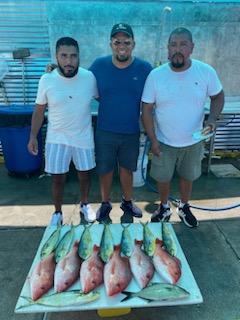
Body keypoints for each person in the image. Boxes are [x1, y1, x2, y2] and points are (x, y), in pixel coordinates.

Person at [142, 27, 224, 228]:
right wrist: (153, 140)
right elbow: (146, 109)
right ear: (167, 49)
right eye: (173, 45)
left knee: (188, 176)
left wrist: (212, 119)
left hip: (194, 140)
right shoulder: (156, 75)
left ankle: (185, 207)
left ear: (192, 48)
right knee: (163, 177)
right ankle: (163, 207)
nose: (177, 49)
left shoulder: (205, 71)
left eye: (183, 44)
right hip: (164, 141)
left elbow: (218, 96)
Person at [28, 37, 98, 225]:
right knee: (58, 179)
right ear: (56, 57)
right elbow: (39, 110)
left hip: (83, 137)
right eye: (64, 56)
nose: (69, 61)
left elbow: (104, 98)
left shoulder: (89, 77)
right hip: (56, 138)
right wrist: (33, 136)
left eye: (73, 56)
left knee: (85, 175)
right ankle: (57, 212)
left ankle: (84, 204)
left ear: (79, 57)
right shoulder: (47, 79)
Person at [89, 23, 152, 223]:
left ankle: (127, 201)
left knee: (127, 169)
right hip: (105, 130)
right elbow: (82, 83)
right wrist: (56, 71)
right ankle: (105, 203)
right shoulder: (99, 65)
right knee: (105, 169)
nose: (122, 45)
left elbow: (153, 95)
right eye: (117, 42)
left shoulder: (144, 68)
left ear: (133, 44)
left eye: (126, 42)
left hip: (131, 131)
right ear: (111, 44)